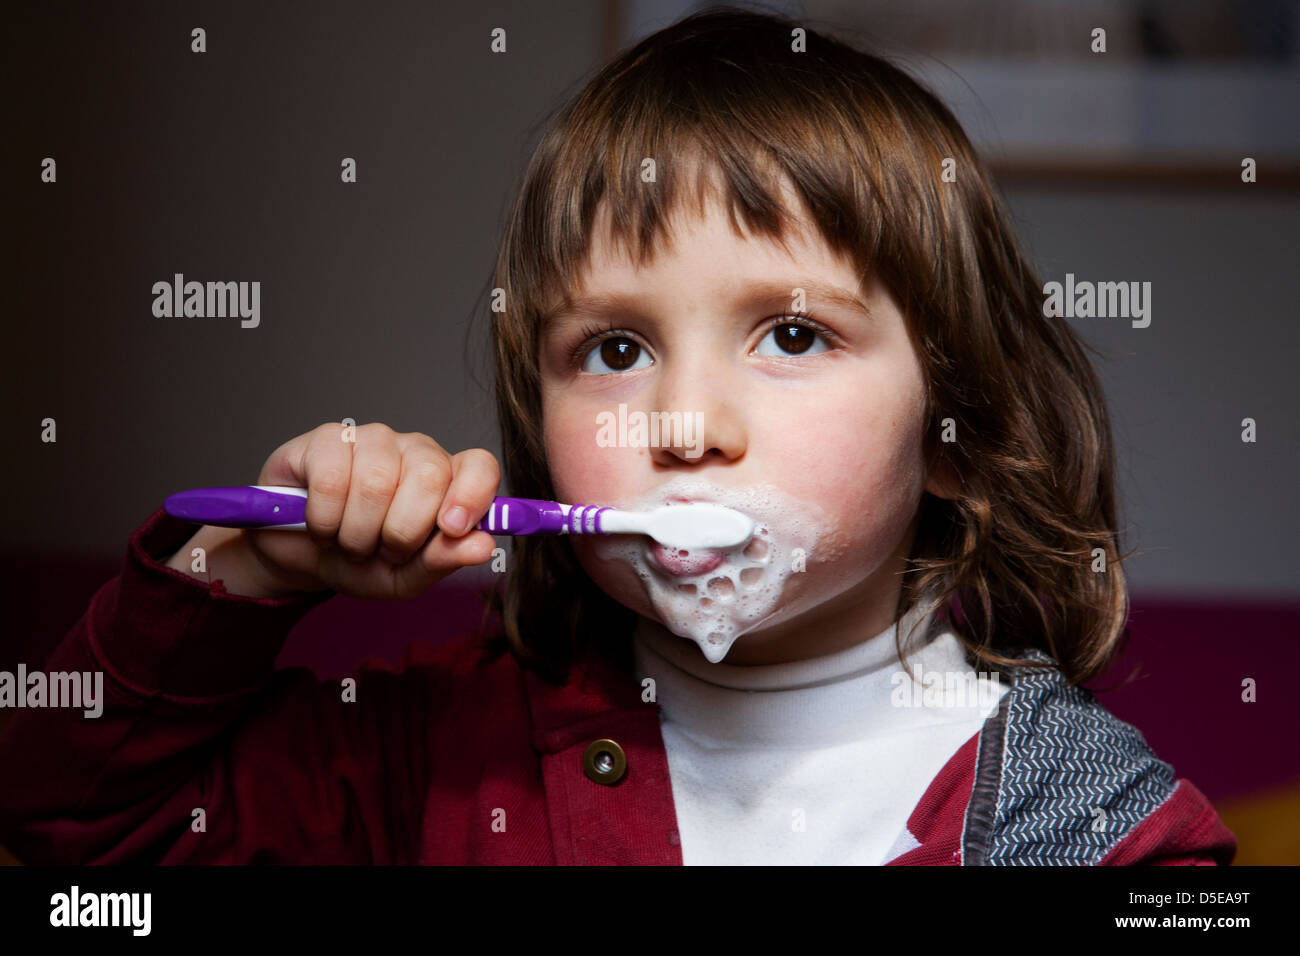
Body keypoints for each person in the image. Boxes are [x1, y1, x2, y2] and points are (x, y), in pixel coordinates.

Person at [0, 7, 1234, 865]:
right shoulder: (431, 764)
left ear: (957, 433)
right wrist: (245, 570)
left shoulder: (1104, 833)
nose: (683, 423)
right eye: (614, 350)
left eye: (792, 336)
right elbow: (74, 832)